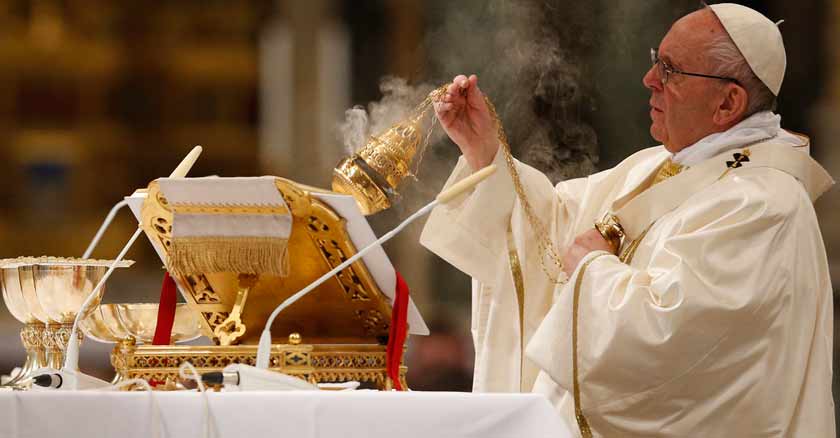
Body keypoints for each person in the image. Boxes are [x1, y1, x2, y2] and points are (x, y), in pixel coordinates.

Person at [420, 3, 835, 437]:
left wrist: (592, 269)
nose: (650, 80)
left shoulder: (763, 206)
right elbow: (554, 226)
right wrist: (484, 151)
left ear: (728, 102)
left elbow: (669, 344)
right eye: (657, 60)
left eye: (671, 71)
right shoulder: (660, 167)